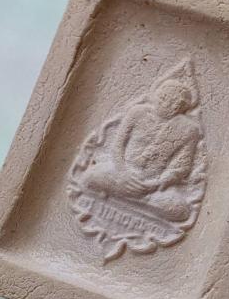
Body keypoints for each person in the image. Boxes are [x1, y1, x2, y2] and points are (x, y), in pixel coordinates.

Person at [82, 78, 201, 222]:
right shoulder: (138, 112)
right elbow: (118, 145)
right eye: (163, 97)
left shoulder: (189, 129)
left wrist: (155, 185)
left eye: (175, 104)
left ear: (180, 108)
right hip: (120, 173)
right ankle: (135, 202)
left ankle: (129, 198)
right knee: (89, 177)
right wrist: (123, 173)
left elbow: (181, 167)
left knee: (180, 210)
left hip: (151, 185)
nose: (165, 103)